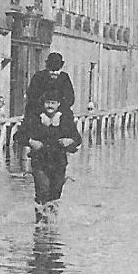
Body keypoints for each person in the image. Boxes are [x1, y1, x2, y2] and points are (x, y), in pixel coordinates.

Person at [21, 94, 82, 223]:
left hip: (58, 162)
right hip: (40, 161)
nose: (50, 106)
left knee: (55, 193)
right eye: (47, 103)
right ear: (43, 104)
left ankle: (51, 229)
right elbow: (19, 135)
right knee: (43, 189)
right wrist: (31, 141)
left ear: (58, 104)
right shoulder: (35, 118)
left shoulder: (65, 119)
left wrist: (69, 140)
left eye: (53, 103)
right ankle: (39, 225)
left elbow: (77, 138)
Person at [24, 52, 76, 118]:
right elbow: (32, 97)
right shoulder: (38, 77)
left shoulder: (64, 77)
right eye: (52, 64)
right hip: (39, 113)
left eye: (57, 64)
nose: (54, 72)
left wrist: (59, 113)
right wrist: (42, 113)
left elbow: (70, 98)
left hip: (60, 113)